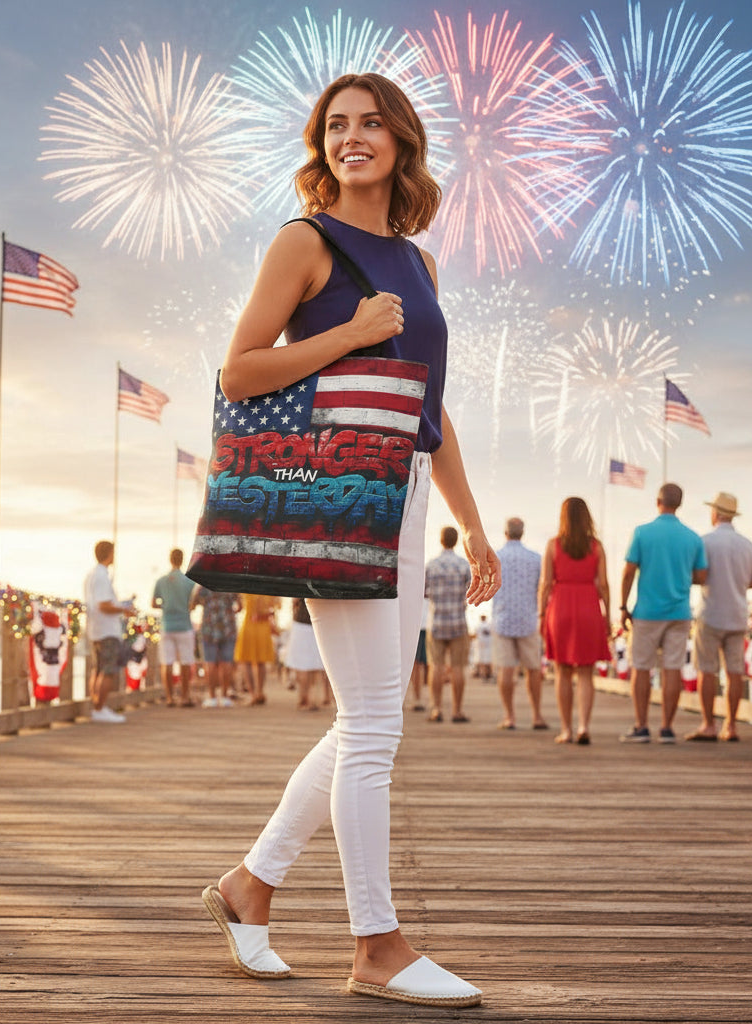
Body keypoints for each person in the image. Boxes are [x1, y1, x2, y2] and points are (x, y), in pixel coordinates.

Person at [200, 73, 498, 1008]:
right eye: (337, 127)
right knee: (372, 724)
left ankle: (251, 887)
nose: (352, 138)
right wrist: (352, 334)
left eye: (371, 124)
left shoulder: (420, 262)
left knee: (365, 717)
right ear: (321, 144)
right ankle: (377, 945)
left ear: (401, 142)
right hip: (332, 497)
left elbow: (429, 412)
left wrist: (473, 522)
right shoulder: (305, 241)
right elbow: (240, 371)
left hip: (403, 496)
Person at [619, 483, 707, 743]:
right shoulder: (692, 537)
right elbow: (701, 576)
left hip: (646, 611)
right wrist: (678, 575)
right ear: (679, 504)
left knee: (642, 669)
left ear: (657, 501)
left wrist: (624, 606)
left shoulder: (642, 533)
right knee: (672, 670)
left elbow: (628, 573)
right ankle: (667, 728)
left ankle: (641, 726)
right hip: (679, 612)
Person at [685, 493, 752, 742]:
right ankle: (731, 726)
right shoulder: (747, 545)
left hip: (711, 613)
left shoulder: (705, 542)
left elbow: (699, 576)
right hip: (738, 614)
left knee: (707, 671)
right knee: (734, 672)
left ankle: (708, 724)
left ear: (715, 514)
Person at [538, 498, 611, 744]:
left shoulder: (552, 546)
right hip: (589, 606)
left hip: (560, 608)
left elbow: (546, 584)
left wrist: (541, 614)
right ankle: (583, 727)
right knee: (586, 673)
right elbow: (603, 585)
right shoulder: (597, 547)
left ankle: (567, 729)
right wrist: (608, 615)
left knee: (562, 671)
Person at [492, 517, 548, 731]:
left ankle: (510, 716)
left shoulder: (496, 557)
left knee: (506, 669)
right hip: (528, 618)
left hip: (503, 618)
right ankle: (537, 716)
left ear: (506, 533)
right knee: (533, 669)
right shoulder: (535, 558)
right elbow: (540, 589)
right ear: (522, 533)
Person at [424, 525, 474, 723]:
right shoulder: (463, 565)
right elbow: (470, 593)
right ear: (456, 541)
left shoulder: (432, 565)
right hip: (458, 622)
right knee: (458, 668)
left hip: (436, 621)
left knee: (435, 666)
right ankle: (457, 710)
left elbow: (423, 592)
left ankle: (436, 709)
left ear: (441, 540)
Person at [83, 540, 136, 724]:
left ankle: (97, 707)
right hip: (106, 630)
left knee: (97, 669)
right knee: (108, 671)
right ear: (108, 553)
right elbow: (104, 605)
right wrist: (124, 610)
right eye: (113, 552)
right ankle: (99, 708)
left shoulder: (92, 575)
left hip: (95, 628)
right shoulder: (101, 576)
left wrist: (122, 605)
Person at [152, 548, 197, 707]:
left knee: (167, 662)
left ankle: (170, 698)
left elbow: (153, 603)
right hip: (184, 625)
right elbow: (193, 603)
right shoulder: (189, 582)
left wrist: (166, 605)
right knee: (185, 662)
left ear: (170, 560)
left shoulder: (161, 580)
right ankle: (185, 696)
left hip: (167, 625)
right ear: (182, 559)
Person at [191, 585, 241, 707]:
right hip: (228, 627)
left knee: (210, 663)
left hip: (209, 628)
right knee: (227, 662)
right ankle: (224, 697)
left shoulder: (204, 584)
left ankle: (212, 697)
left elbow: (192, 605)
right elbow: (240, 606)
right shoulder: (231, 582)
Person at [233, 594, 278, 706]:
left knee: (246, 661)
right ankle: (260, 692)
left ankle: (253, 694)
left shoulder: (245, 588)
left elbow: (239, 608)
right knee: (260, 662)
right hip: (263, 627)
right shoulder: (268, 589)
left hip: (248, 625)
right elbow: (274, 609)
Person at [285, 598, 326, 711]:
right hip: (316, 622)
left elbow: (295, 600)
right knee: (313, 665)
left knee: (302, 665)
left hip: (301, 624)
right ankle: (310, 698)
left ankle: (304, 699)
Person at [473, 614, 493, 679]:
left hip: (481, 644)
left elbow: (475, 634)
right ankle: (486, 673)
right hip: (487, 644)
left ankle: (483, 673)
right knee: (487, 660)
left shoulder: (478, 625)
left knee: (481, 660)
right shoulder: (489, 625)